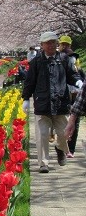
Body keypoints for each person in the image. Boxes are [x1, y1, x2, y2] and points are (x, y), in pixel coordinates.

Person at [22, 31, 83, 173]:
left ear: (57, 44)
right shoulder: (36, 62)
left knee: (63, 133)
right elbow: (29, 82)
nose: (50, 45)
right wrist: (26, 98)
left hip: (61, 102)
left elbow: (72, 75)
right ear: (42, 45)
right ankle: (43, 163)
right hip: (42, 103)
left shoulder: (63, 59)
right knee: (42, 134)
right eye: (47, 43)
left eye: (53, 42)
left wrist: (78, 81)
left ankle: (60, 149)